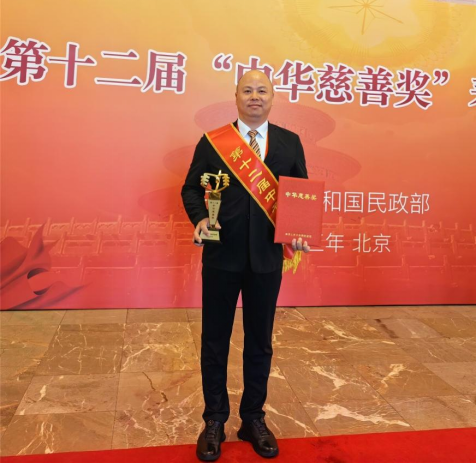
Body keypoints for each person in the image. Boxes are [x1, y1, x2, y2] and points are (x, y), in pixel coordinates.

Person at [181, 70, 310, 461]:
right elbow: (191, 188)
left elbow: (301, 195)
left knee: (259, 342)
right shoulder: (213, 142)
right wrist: (199, 218)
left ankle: (253, 418)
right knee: (214, 340)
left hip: (266, 259)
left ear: (272, 97)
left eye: (262, 90)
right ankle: (214, 420)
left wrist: (300, 232)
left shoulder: (289, 142)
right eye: (248, 90)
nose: (255, 96)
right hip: (222, 256)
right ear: (236, 96)